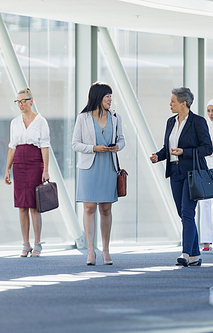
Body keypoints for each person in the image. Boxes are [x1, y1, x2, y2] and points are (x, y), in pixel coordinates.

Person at [150, 87, 212, 266]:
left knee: (187, 212)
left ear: (183, 103)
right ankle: (195, 256)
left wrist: (184, 152)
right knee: (183, 213)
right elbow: (167, 148)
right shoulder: (170, 122)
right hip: (175, 172)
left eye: (173, 101)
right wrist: (157, 156)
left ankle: (185, 253)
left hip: (192, 173)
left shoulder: (198, 122)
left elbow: (207, 148)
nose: (170, 104)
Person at [72, 82, 125, 266]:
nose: (110, 99)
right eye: (107, 96)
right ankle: (90, 251)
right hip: (89, 166)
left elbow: (121, 139)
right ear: (98, 97)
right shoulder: (83, 118)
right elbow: (75, 144)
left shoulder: (116, 117)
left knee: (106, 209)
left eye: (111, 96)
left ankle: (106, 250)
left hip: (108, 166)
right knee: (89, 208)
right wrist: (94, 148)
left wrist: (118, 146)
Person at [4, 88, 50, 257]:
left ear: (31, 101)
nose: (21, 104)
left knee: (34, 205)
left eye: (23, 101)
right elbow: (12, 148)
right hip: (19, 165)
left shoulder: (41, 121)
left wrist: (46, 169)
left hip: (34, 163)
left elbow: (45, 147)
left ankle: (37, 243)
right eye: (18, 102)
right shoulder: (14, 122)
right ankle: (25, 243)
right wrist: (7, 169)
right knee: (22, 205)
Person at [200, 99, 213, 252]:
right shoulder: (204, 127)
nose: (211, 114)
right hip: (206, 163)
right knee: (205, 201)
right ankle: (206, 240)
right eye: (209, 110)